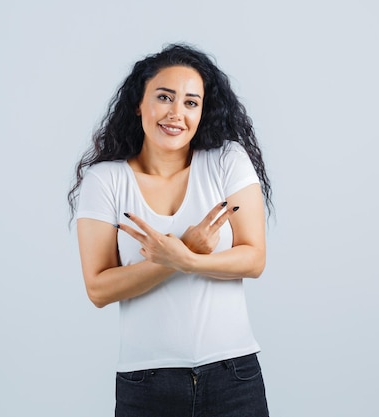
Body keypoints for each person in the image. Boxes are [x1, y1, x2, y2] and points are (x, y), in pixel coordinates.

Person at [68, 43, 273, 417]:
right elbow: (98, 288)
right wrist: (181, 253)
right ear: (138, 103)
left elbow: (254, 258)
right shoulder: (106, 181)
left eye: (191, 102)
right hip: (146, 384)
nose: (176, 113)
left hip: (233, 377)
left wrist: (185, 259)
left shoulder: (226, 161)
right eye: (165, 97)